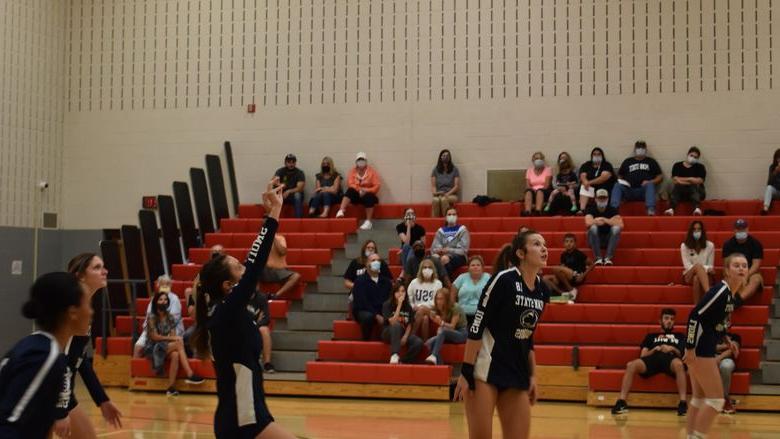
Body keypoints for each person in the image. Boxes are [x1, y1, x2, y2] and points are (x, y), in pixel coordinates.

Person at [190, 181, 296, 439]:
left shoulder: (225, 312)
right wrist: (273, 214)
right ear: (228, 286)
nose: (245, 270)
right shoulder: (225, 312)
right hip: (244, 420)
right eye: (239, 267)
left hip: (246, 415)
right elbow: (256, 261)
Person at [454, 230, 550, 439]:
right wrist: (466, 371)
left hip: (517, 372)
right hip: (484, 371)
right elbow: (477, 324)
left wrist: (532, 375)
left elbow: (527, 335)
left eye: (544, 244)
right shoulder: (503, 280)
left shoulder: (543, 290)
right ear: (521, 253)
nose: (544, 248)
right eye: (536, 244)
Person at [0, 273, 91, 438]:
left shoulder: (38, 347)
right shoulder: (43, 357)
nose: (91, 312)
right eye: (88, 305)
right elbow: (11, 424)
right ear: (73, 312)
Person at [684, 254, 748, 439]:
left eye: (744, 265)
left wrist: (726, 339)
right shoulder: (721, 291)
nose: (741, 268)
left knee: (699, 398)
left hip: (702, 346)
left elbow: (714, 322)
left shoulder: (731, 296)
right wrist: (689, 348)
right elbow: (695, 316)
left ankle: (691, 436)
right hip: (699, 349)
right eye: (736, 265)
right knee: (716, 400)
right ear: (727, 270)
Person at [60, 253, 123, 438]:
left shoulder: (85, 306)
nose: (105, 271)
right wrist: (61, 409)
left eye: (103, 266)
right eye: (97, 267)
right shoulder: (71, 308)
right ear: (80, 275)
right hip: (48, 388)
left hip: (61, 391)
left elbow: (81, 362)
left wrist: (102, 400)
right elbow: (61, 360)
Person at [610, 309, 688, 416]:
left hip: (670, 360)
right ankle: (621, 402)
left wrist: (672, 349)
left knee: (679, 365)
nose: (669, 321)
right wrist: (654, 350)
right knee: (631, 365)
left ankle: (683, 403)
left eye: (672, 319)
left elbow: (683, 356)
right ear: (660, 321)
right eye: (666, 318)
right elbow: (643, 355)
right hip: (652, 359)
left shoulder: (680, 336)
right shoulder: (651, 336)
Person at [144, 292, 204, 397]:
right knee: (178, 343)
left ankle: (171, 388)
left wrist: (173, 339)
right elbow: (155, 337)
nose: (164, 301)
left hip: (164, 346)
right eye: (161, 299)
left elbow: (173, 335)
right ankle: (189, 374)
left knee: (176, 354)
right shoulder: (152, 317)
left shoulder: (170, 317)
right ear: (156, 302)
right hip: (153, 347)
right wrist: (173, 339)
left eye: (166, 300)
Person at [134, 275, 184, 358]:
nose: (165, 287)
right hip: (153, 329)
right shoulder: (154, 299)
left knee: (164, 345)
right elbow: (149, 316)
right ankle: (135, 369)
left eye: (167, 284)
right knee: (138, 347)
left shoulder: (175, 299)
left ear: (170, 286)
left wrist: (158, 334)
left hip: (170, 330)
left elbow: (172, 320)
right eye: (162, 284)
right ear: (158, 286)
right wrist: (153, 331)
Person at [611, 141, 663, 216]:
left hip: (644, 191)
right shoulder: (627, 161)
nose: (640, 150)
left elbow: (660, 177)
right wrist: (624, 182)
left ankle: (650, 210)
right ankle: (614, 209)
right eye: (638, 148)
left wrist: (650, 181)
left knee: (650, 184)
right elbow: (619, 176)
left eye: (642, 148)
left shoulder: (651, 161)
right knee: (617, 185)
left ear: (645, 150)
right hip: (629, 191)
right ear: (635, 149)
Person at [351, 253, 392, 340]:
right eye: (373, 260)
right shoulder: (360, 281)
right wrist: (376, 315)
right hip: (364, 311)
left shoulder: (386, 282)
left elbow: (389, 300)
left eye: (378, 260)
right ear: (367, 264)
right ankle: (366, 341)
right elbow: (362, 303)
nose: (376, 262)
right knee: (368, 317)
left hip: (381, 310)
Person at [336, 152, 381, 231]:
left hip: (368, 195)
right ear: (356, 162)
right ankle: (341, 210)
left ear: (366, 161)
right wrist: (359, 189)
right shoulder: (352, 171)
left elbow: (377, 186)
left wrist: (366, 190)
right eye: (359, 160)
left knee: (369, 197)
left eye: (362, 159)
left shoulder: (372, 172)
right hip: (356, 195)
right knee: (350, 190)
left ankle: (368, 222)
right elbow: (350, 183)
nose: (361, 161)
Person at [722, 219, 764, 304]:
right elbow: (726, 264)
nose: (741, 231)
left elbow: (756, 265)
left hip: (751, 272)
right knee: (727, 278)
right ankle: (727, 301)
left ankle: (737, 301)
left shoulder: (756, 244)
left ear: (747, 229)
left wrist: (745, 275)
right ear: (734, 230)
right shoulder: (728, 244)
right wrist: (736, 274)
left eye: (743, 229)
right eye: (738, 229)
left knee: (756, 279)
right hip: (733, 272)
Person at [381, 283, 423, 364]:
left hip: (403, 333)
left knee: (418, 342)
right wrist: (399, 305)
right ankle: (394, 354)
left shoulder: (408, 306)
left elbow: (410, 323)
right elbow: (393, 322)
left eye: (403, 291)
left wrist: (405, 336)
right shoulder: (387, 305)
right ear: (393, 293)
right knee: (396, 325)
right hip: (389, 332)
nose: (400, 293)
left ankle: (404, 361)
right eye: (398, 291)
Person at [543, 233, 592, 300]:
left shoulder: (579, 254)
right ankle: (562, 293)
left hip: (577, 275)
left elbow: (592, 264)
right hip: (568, 276)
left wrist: (583, 275)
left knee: (555, 269)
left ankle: (571, 290)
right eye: (567, 241)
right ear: (564, 244)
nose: (569, 243)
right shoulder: (563, 255)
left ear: (575, 244)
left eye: (571, 241)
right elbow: (563, 267)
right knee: (545, 278)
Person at [425, 289, 468, 365]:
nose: (439, 301)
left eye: (441, 299)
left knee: (443, 331)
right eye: (437, 299)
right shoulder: (438, 308)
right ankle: (440, 366)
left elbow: (452, 327)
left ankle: (433, 355)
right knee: (429, 342)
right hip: (447, 333)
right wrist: (430, 313)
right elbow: (424, 309)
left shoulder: (455, 307)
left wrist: (441, 323)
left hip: (461, 333)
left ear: (446, 299)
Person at [407, 259, 444, 341]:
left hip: (432, 310)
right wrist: (413, 306)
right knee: (425, 319)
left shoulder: (438, 283)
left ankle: (411, 335)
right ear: (421, 269)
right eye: (425, 267)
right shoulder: (414, 282)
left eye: (429, 267)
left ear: (433, 270)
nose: (427, 269)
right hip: (415, 311)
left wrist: (420, 306)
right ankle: (425, 343)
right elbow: (409, 298)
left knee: (422, 310)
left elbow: (436, 302)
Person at [585, 189, 624, 265]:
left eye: (604, 198)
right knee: (593, 228)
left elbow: (621, 225)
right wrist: (610, 221)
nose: (602, 200)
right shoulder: (590, 209)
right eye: (600, 198)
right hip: (593, 240)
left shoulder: (612, 210)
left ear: (607, 199)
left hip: (608, 240)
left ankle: (608, 258)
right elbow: (588, 223)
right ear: (596, 199)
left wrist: (604, 220)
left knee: (616, 228)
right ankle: (598, 258)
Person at [666, 146, 707, 216]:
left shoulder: (700, 167)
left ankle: (697, 209)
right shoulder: (677, 165)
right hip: (680, 192)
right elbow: (675, 180)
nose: (693, 158)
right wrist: (691, 179)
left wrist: (682, 180)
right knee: (678, 186)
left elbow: (700, 181)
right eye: (691, 155)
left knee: (694, 186)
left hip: (695, 192)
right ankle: (671, 209)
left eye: (695, 157)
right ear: (687, 154)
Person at [451, 256, 491, 327]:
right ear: (468, 268)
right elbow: (452, 295)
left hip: (481, 314)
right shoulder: (461, 277)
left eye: (478, 265)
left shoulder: (488, 277)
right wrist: (454, 310)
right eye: (473, 265)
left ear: (482, 268)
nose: (475, 267)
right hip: (462, 314)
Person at [681, 221, 715, 303]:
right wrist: (699, 267)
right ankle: (709, 293)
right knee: (697, 267)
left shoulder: (710, 245)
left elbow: (710, 265)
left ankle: (696, 307)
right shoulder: (684, 246)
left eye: (699, 229)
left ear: (702, 231)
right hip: (689, 275)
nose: (697, 232)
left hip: (706, 276)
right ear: (691, 232)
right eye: (694, 229)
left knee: (697, 279)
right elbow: (687, 266)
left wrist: (702, 270)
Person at [258, 234, 301, 299]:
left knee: (296, 276)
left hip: (279, 271)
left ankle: (275, 295)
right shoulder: (260, 239)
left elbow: (282, 251)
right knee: (252, 270)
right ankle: (255, 296)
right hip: (264, 270)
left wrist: (274, 238)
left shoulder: (280, 238)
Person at [431, 208, 470, 278]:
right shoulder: (440, 231)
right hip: (443, 255)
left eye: (454, 214)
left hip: (459, 256)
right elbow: (434, 248)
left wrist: (449, 250)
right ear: (445, 217)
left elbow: (463, 250)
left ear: (457, 217)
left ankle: (447, 283)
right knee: (434, 258)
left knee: (444, 259)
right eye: (449, 214)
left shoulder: (462, 230)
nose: (451, 216)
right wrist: (439, 250)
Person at [578, 147, 616, 212]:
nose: (596, 156)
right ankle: (582, 210)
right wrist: (585, 182)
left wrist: (589, 182)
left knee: (601, 190)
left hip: (603, 187)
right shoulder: (586, 165)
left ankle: (602, 211)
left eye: (599, 154)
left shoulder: (606, 165)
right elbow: (582, 175)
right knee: (584, 187)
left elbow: (603, 178)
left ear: (602, 156)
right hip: (590, 188)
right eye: (594, 154)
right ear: (592, 156)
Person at [249, 285, 275, 374]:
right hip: (243, 326)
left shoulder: (261, 297)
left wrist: (254, 324)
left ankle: (267, 363)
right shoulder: (239, 297)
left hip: (256, 326)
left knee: (264, 329)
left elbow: (266, 318)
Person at [716, 330, 741, 415]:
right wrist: (726, 346)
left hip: (726, 360)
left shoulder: (735, 336)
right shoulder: (711, 333)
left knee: (725, 366)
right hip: (711, 358)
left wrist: (718, 358)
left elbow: (732, 350)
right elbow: (711, 347)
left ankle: (724, 400)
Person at [273, 153, 306, 218]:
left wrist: (289, 191)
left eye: (293, 162)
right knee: (271, 194)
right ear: (285, 162)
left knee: (297, 195)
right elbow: (273, 182)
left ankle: (298, 219)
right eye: (289, 162)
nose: (291, 164)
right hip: (282, 194)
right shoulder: (280, 171)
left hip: (293, 195)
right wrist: (281, 186)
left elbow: (300, 188)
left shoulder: (299, 173)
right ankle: (272, 218)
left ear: (295, 163)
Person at [396, 208, 426, 276]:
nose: (410, 216)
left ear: (415, 216)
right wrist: (408, 227)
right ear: (404, 216)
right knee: (406, 247)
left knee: (411, 249)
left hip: (417, 251)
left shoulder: (421, 228)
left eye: (412, 214)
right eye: (408, 214)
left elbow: (423, 245)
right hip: (405, 250)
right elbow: (407, 242)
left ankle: (404, 272)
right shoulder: (400, 227)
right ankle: (407, 272)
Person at [431, 149, 461, 217]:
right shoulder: (435, 170)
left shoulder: (454, 169)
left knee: (444, 199)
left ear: (450, 157)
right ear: (440, 157)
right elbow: (433, 186)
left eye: (447, 155)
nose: (445, 157)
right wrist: (436, 193)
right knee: (435, 200)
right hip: (439, 194)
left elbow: (456, 186)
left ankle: (447, 221)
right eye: (443, 155)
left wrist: (447, 194)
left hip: (451, 195)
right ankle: (435, 221)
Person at [523, 151, 553, 216]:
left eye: (540, 158)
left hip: (544, 191)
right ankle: (528, 211)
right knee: (528, 192)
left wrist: (538, 191)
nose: (538, 160)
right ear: (533, 160)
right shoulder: (529, 170)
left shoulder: (548, 169)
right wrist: (532, 190)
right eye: (536, 158)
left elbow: (547, 185)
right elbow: (528, 185)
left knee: (539, 191)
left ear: (543, 160)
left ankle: (538, 211)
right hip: (533, 191)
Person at [761, 148, 780, 215]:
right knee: (769, 188)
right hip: (776, 192)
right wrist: (775, 172)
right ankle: (765, 209)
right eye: (778, 158)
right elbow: (769, 183)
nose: (779, 160)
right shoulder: (772, 167)